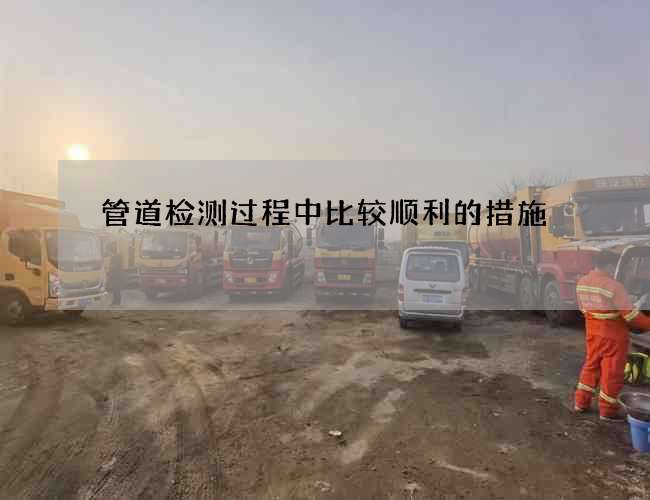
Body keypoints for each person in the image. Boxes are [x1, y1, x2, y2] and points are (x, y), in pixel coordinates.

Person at [574, 250, 650, 421]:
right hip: (614, 337)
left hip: (593, 333)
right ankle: (607, 411)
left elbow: (583, 309)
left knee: (591, 366)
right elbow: (631, 316)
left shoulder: (582, 282)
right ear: (609, 265)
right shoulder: (613, 286)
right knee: (612, 373)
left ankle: (581, 402)